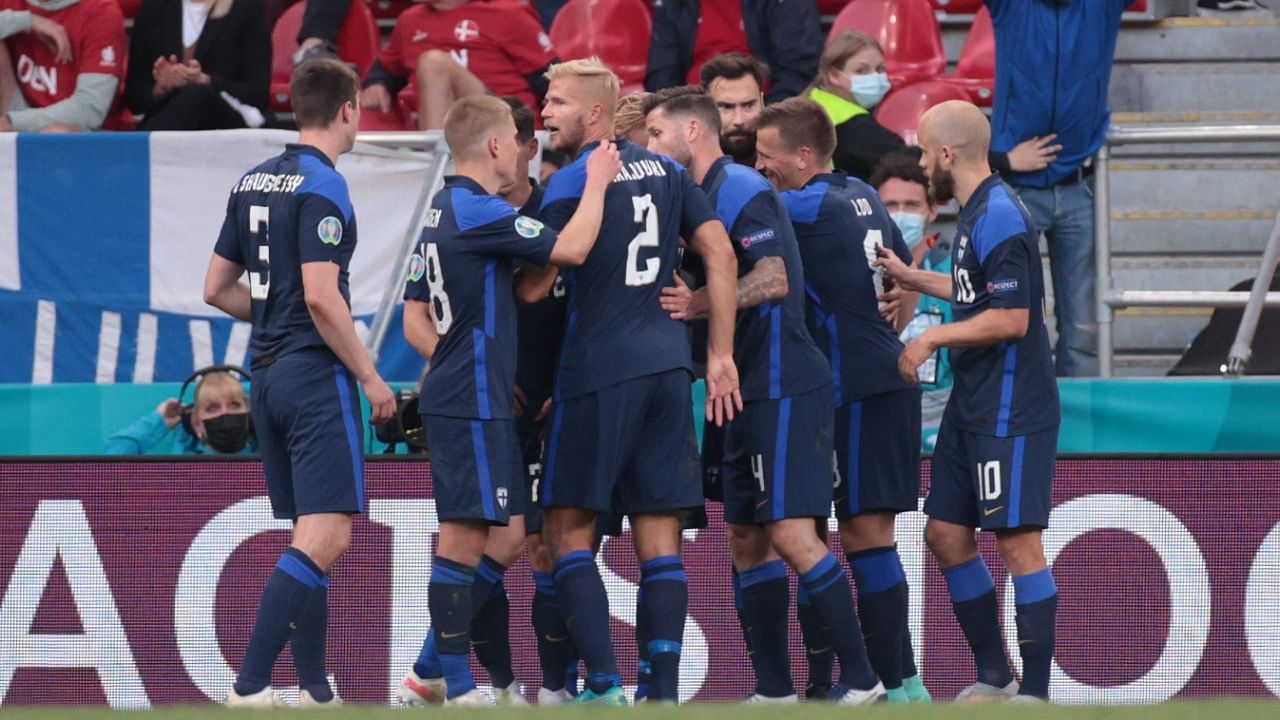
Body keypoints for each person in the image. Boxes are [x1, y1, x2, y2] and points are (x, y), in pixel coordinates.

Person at [647, 88, 887, 705]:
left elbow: (774, 277)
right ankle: (775, 692)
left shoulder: (740, 190)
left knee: (789, 532)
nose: (651, 147)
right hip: (737, 387)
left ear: (691, 135)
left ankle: (863, 681)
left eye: (655, 134)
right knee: (745, 536)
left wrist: (701, 303)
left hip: (782, 380)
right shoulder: (695, 199)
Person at [534, 57, 742, 705]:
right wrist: (721, 353)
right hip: (668, 368)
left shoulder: (571, 182)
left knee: (566, 531)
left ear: (595, 112)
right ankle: (661, 694)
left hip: (598, 367)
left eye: (558, 102)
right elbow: (722, 254)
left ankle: (599, 685)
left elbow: (539, 283)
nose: (544, 112)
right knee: (660, 539)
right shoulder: (671, 173)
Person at [202, 58, 397, 708]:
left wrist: (275, 311)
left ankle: (316, 690)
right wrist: (369, 376)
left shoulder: (253, 179)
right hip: (315, 376)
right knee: (329, 535)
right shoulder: (325, 185)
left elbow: (215, 288)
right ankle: (250, 685)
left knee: (308, 536)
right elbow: (320, 296)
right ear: (350, 110)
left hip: (267, 375)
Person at [876, 99, 1061, 703]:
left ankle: (1034, 693)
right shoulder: (977, 212)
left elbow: (1009, 317)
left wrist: (930, 334)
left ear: (948, 155)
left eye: (927, 152)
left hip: (1010, 405)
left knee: (1017, 543)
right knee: (947, 534)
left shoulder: (1000, 216)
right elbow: (971, 291)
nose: (923, 162)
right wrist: (912, 277)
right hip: (974, 403)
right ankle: (995, 676)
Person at [755, 96, 926, 704]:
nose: (759, 167)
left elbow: (736, 222)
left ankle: (901, 687)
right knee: (823, 537)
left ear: (803, 155)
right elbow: (899, 275)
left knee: (864, 534)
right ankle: (826, 686)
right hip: (871, 374)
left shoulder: (800, 205)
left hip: (856, 385)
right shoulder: (859, 191)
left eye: (766, 156)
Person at [985, 0, 1129, 377]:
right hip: (1016, 191)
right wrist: (1003, 159)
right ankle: (1019, 420)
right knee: (1012, 319)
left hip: (1079, 190)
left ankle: (1080, 428)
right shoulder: (1011, 5)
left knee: (1083, 326)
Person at [359, 0, 556, 130]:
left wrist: (552, 155)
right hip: (454, 136)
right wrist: (377, 84)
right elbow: (387, 68)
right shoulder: (410, 20)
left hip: (509, 131)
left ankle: (436, 168)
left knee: (433, 63)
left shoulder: (508, 13)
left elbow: (554, 84)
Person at [871, 149, 953, 452]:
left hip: (941, 425)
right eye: (890, 205)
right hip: (877, 420)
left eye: (912, 205)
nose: (900, 214)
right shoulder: (850, 273)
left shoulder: (954, 273)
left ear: (932, 211)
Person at [123, 0, 271, 131]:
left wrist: (206, 81)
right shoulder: (154, 7)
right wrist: (160, 88)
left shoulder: (248, 7)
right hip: (168, 123)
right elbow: (134, 99)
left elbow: (257, 94)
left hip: (229, 123)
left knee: (196, 94)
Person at [645, 0, 821, 104]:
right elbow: (661, 76)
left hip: (762, 111)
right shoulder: (676, 4)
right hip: (694, 114)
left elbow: (798, 70)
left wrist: (766, 117)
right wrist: (684, 117)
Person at [0, 0, 131, 132]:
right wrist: (27, 20)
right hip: (18, 113)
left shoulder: (101, 11)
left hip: (91, 132)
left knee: (56, 133)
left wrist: (11, 122)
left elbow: (89, 110)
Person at [103, 370, 256, 455]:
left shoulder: (273, 466)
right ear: (196, 423)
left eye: (234, 405)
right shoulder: (176, 474)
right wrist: (158, 421)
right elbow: (106, 467)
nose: (225, 414)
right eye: (212, 408)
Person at [699, 52, 765, 166]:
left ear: (762, 103)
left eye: (748, 106)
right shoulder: (684, 171)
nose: (738, 121)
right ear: (705, 109)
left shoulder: (789, 163)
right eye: (726, 107)